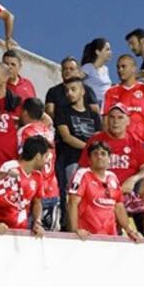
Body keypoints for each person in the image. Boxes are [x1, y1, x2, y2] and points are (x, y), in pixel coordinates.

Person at [79, 104, 144, 236]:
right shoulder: (96, 140)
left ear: (128, 121)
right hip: (102, 190)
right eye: (112, 117)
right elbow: (83, 168)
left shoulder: (134, 141)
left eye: (120, 117)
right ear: (106, 120)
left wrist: (133, 180)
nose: (116, 121)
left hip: (127, 191)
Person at [68, 141, 142, 241]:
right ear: (89, 160)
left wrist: (130, 231)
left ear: (109, 159)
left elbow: (119, 207)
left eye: (103, 154)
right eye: (95, 154)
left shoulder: (112, 177)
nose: (99, 157)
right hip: (86, 237)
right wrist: (75, 230)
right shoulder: (82, 174)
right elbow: (72, 203)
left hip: (110, 238)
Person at [53, 76, 102, 224]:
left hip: (92, 164)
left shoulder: (93, 115)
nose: (69, 93)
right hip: (71, 161)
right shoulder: (62, 111)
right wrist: (90, 149)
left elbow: (98, 137)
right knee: (73, 197)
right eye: (67, 90)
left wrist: (93, 153)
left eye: (73, 89)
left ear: (82, 92)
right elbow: (67, 137)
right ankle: (71, 226)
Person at [0, 135, 50, 235]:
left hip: (20, 233)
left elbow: (37, 202)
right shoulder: (9, 169)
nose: (47, 160)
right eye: (46, 156)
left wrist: (37, 222)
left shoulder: (38, 176)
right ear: (38, 156)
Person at [18, 98, 60, 230]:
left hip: (34, 191)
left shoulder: (25, 131)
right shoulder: (49, 131)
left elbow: (23, 159)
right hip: (52, 190)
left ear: (25, 113)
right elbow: (49, 121)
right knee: (48, 241)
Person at [102, 54, 144, 143]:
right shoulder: (110, 92)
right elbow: (105, 122)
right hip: (120, 146)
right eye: (118, 67)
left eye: (123, 67)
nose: (119, 70)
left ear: (133, 68)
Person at [80, 38, 113, 106]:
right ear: (98, 52)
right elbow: (75, 79)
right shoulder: (88, 67)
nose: (110, 52)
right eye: (107, 49)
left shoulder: (106, 69)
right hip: (95, 104)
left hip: (107, 103)